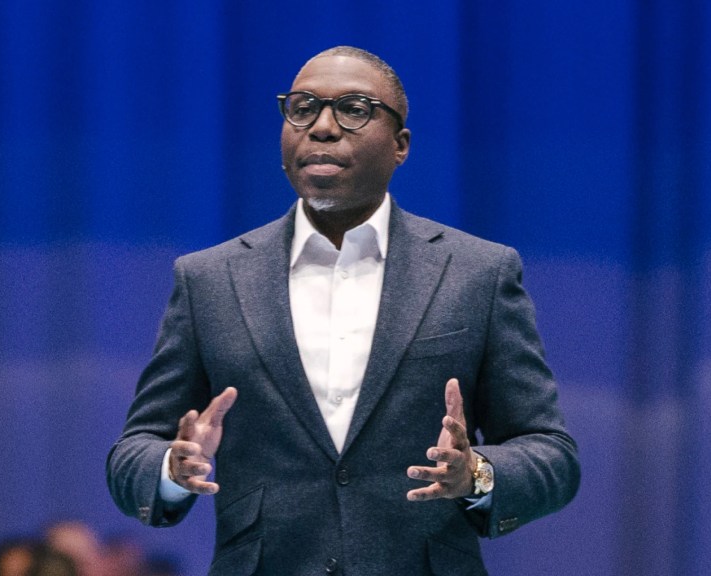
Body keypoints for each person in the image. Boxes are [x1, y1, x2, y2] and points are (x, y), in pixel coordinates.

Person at [107, 46, 580, 575]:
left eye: (354, 109)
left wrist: (475, 473)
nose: (323, 127)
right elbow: (134, 451)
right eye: (303, 107)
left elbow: (552, 453)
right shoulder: (209, 280)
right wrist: (172, 465)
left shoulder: (477, 273)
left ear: (400, 145)